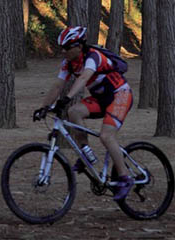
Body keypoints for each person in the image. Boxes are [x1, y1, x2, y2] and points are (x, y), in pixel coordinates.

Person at [33, 26, 134, 200]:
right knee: (74, 112)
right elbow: (57, 85)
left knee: (106, 136)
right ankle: (85, 154)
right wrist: (43, 107)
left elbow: (84, 78)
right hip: (102, 99)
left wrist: (68, 97)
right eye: (61, 47)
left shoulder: (92, 56)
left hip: (120, 95)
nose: (63, 51)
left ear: (79, 46)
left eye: (67, 47)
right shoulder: (68, 63)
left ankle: (125, 177)